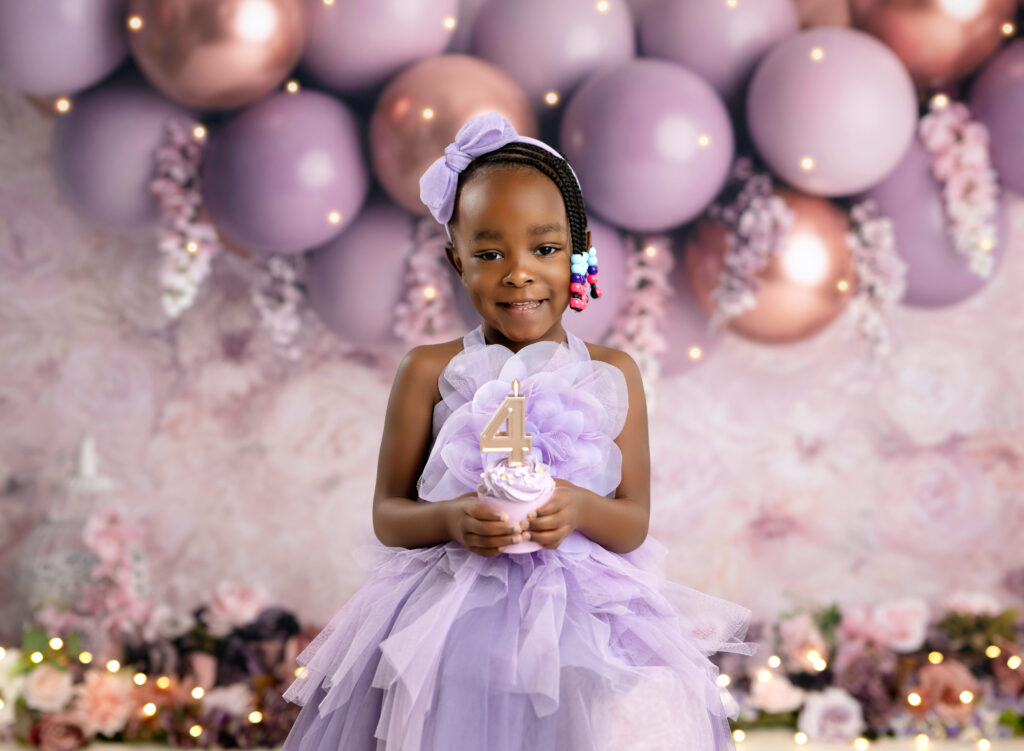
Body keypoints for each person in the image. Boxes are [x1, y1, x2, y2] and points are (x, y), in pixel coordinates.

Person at [280, 111, 757, 751]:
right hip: (448, 616)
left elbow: (632, 520)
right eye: (489, 252)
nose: (519, 272)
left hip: (585, 613)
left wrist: (581, 506)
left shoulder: (613, 373)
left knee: (591, 710)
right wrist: (452, 518)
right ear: (456, 261)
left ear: (577, 254)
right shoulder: (429, 370)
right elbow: (390, 515)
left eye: (546, 248)